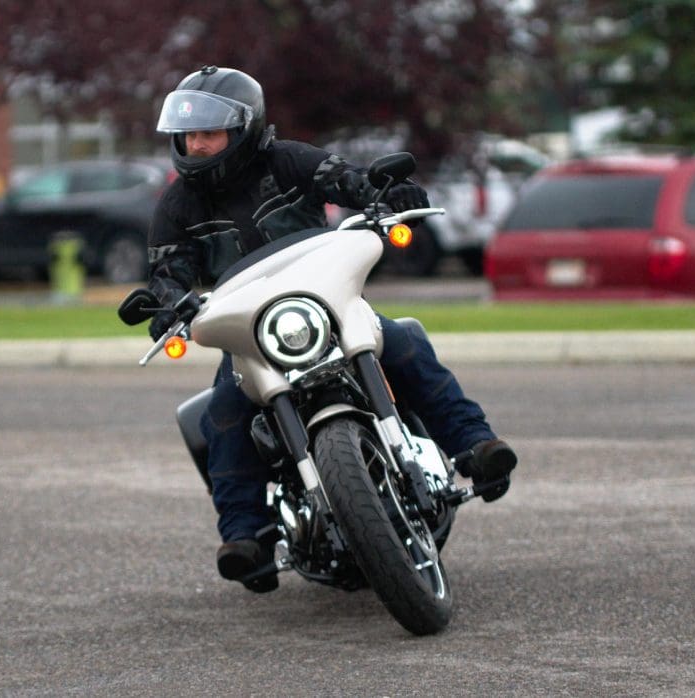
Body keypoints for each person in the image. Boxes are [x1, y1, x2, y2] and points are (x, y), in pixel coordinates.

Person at [146, 66, 517, 592]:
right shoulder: (177, 205)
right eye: (189, 136)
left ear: (245, 128)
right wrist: (166, 302)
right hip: (250, 334)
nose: (198, 146)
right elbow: (168, 272)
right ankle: (245, 536)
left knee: (406, 341)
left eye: (210, 133)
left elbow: (345, 178)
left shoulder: (287, 160)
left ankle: (475, 448)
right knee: (224, 412)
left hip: (328, 303)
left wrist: (382, 191)